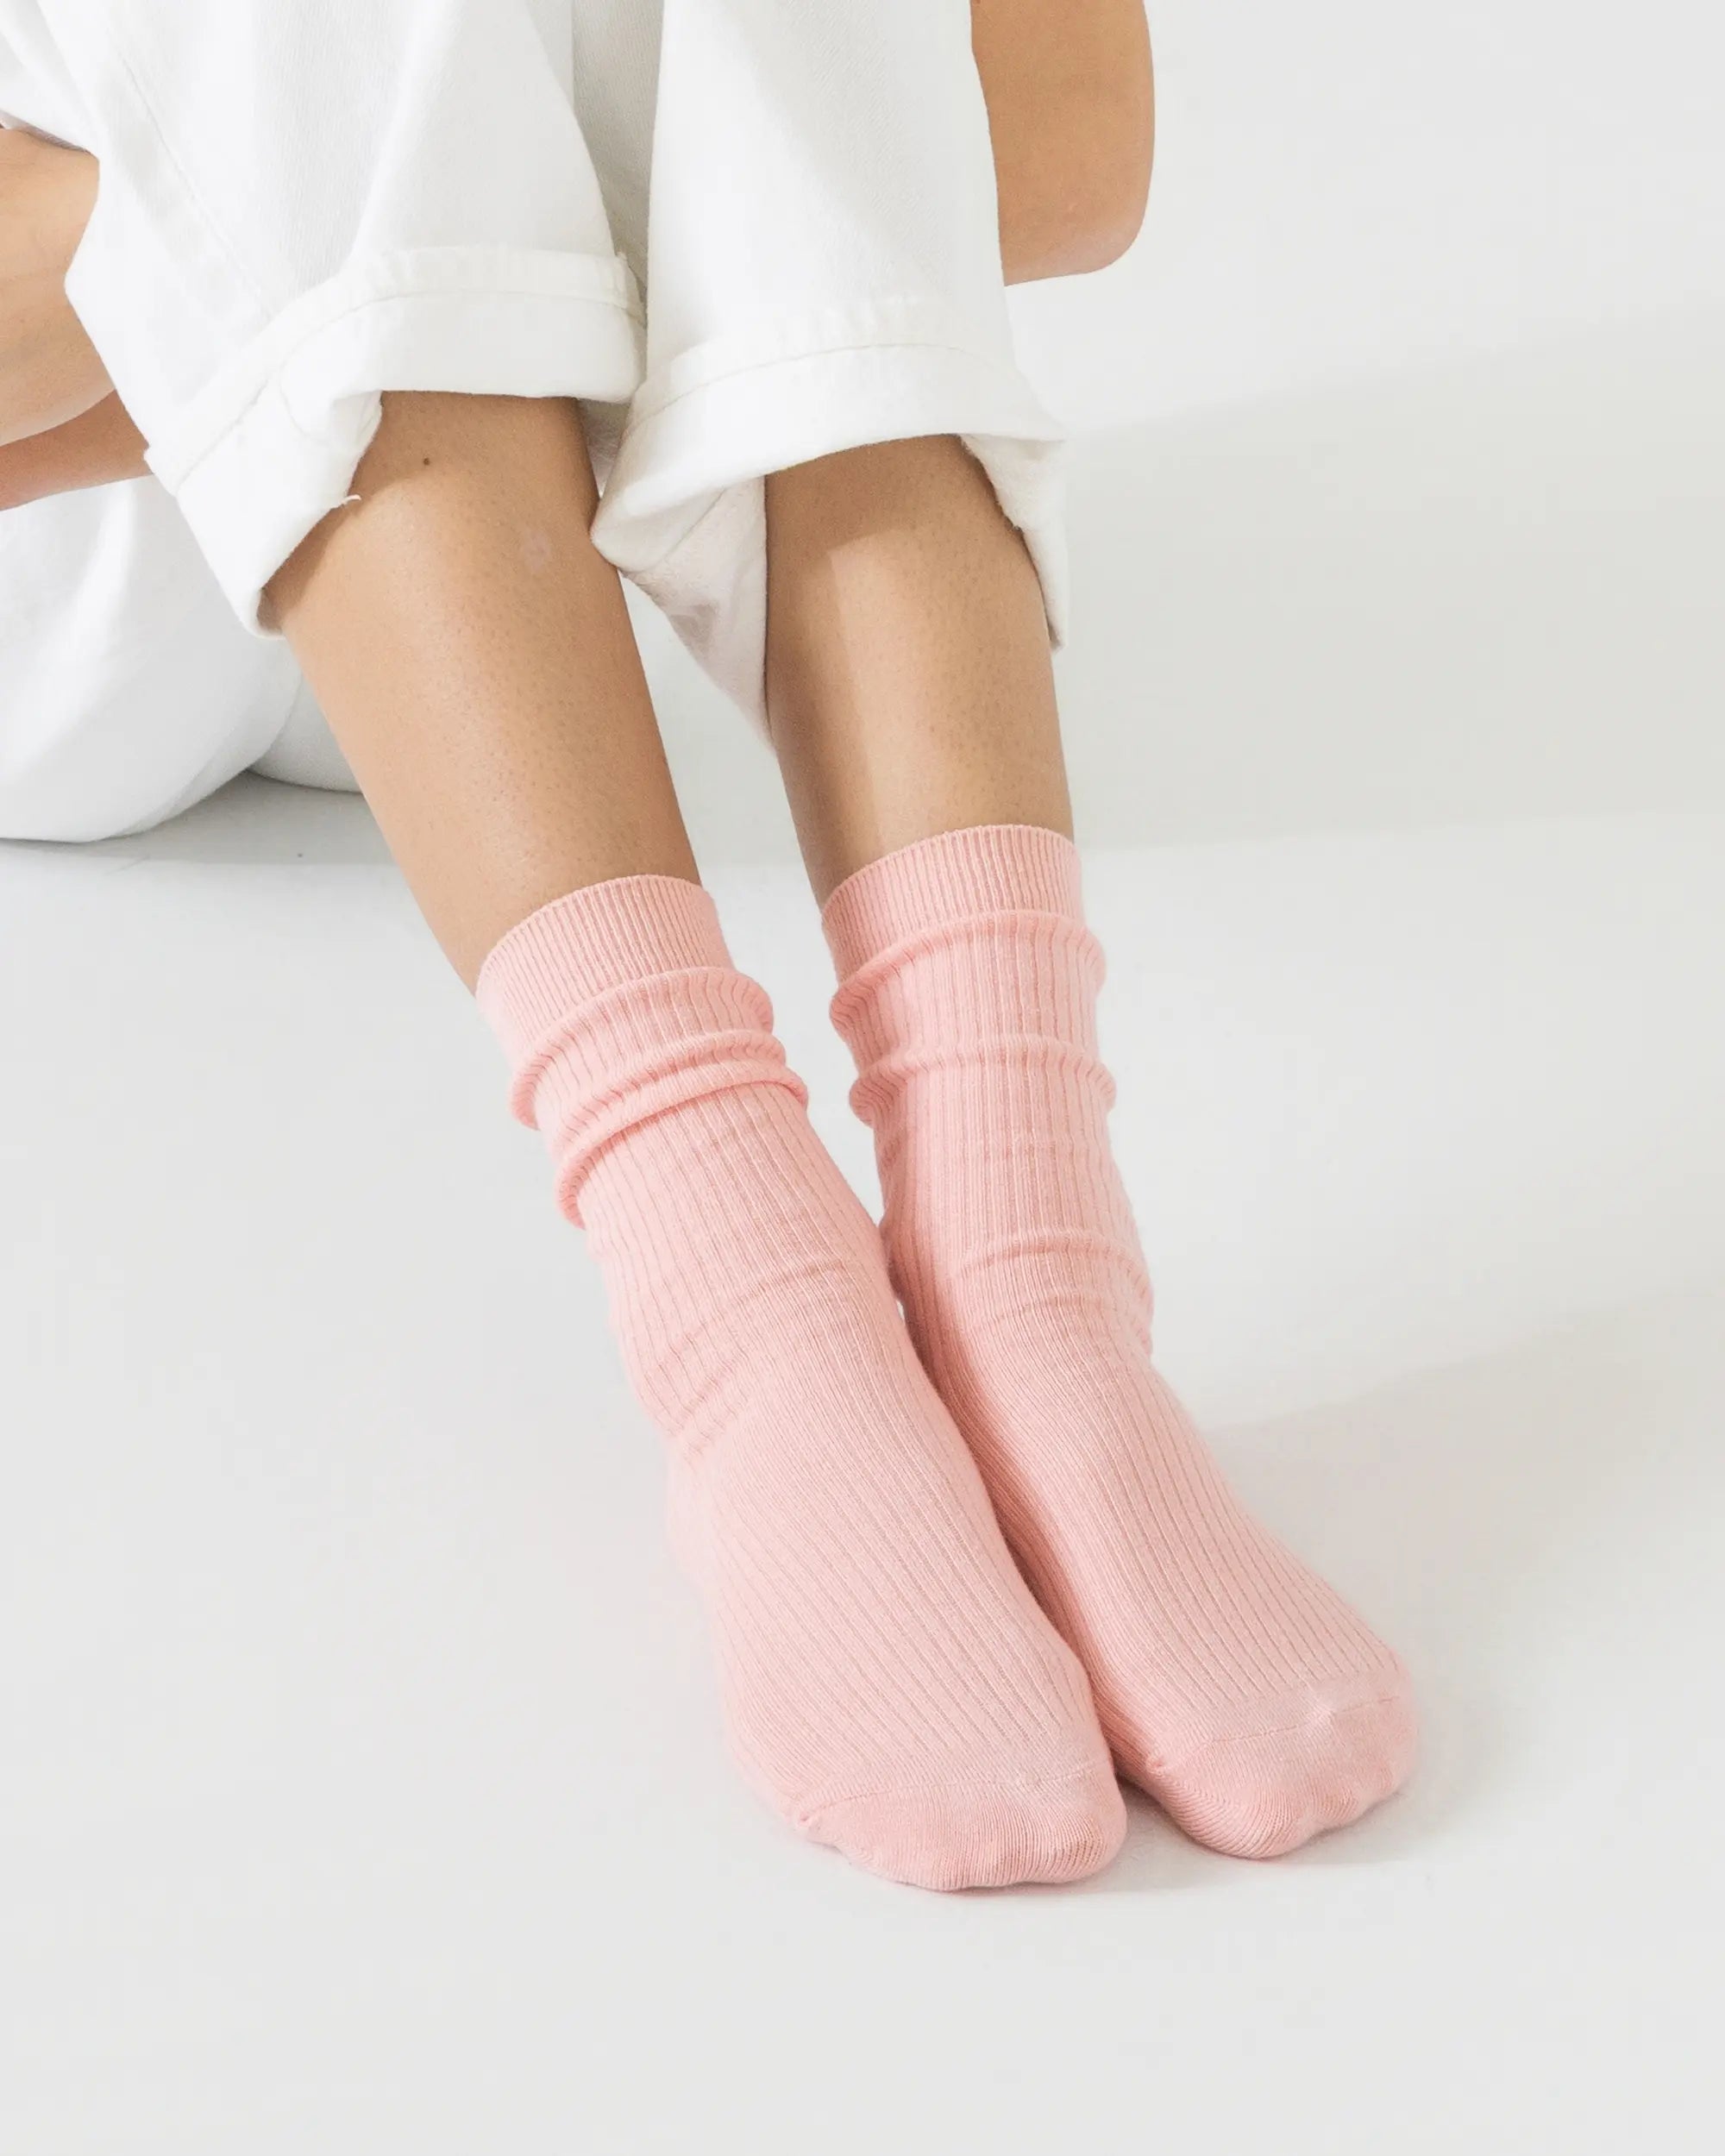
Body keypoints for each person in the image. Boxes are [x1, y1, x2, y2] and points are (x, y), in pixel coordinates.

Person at [0, 0, 1414, 1890]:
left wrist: (376, 178)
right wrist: (454, 137)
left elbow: (1083, 136)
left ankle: (1033, 1276)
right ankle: (743, 1304)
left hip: (485, 556)